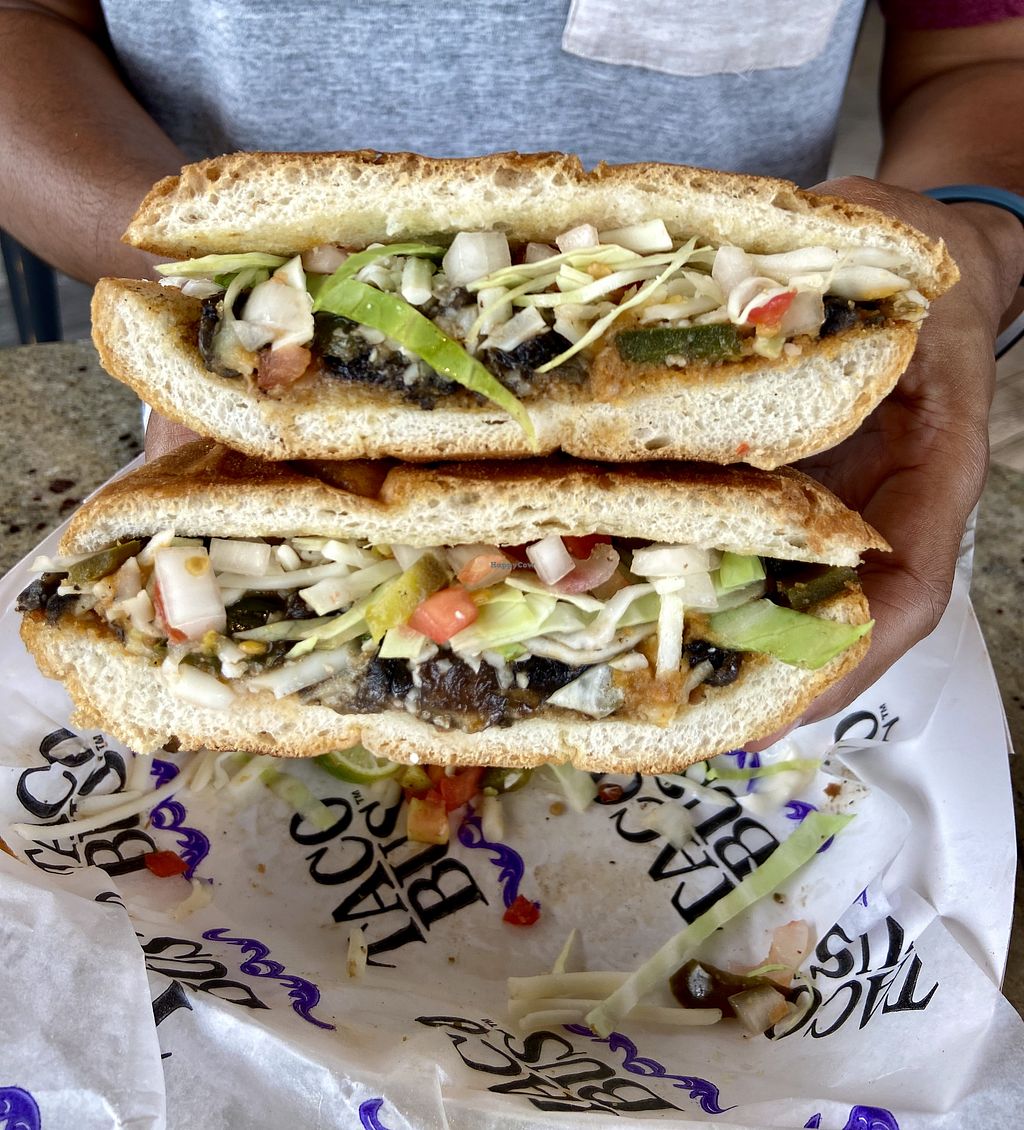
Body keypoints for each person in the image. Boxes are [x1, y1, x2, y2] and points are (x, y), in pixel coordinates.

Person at [1, 0, 1022, 732]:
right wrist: (191, 284)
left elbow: (981, 52)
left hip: (784, 441)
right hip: (231, 426)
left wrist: (980, 234)